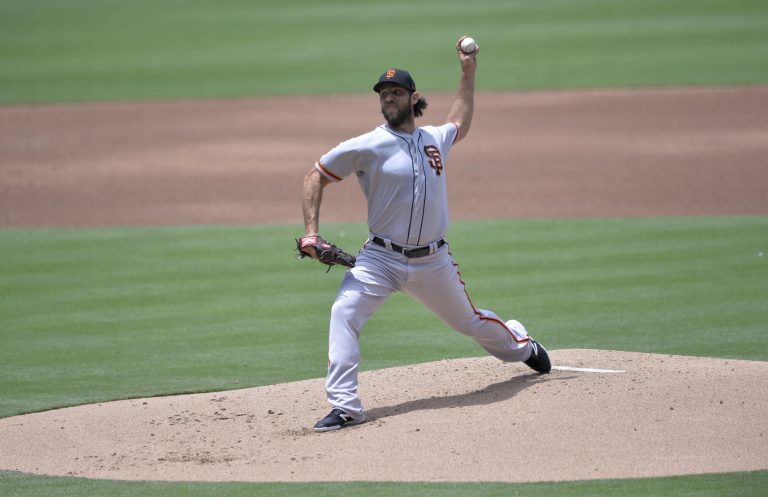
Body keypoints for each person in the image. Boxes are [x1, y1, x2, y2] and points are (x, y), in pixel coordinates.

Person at [300, 36, 551, 433]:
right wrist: (312, 233)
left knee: (470, 322)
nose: (389, 99)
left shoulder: (434, 139)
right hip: (380, 259)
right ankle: (346, 407)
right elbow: (316, 175)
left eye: (396, 92)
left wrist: (468, 72)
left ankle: (522, 344)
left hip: (433, 261)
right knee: (343, 312)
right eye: (384, 94)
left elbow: (460, 122)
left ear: (412, 97)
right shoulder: (367, 145)